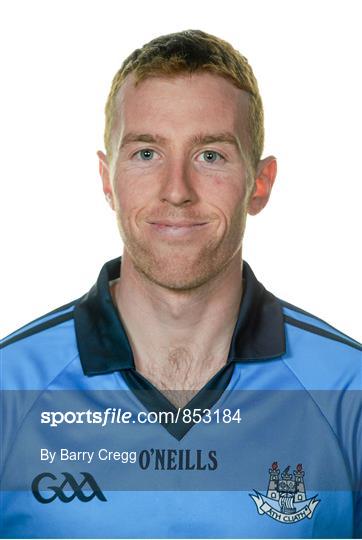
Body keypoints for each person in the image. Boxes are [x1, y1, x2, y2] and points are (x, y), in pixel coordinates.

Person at [1, 29, 361, 539]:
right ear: (108, 180)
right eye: (146, 153)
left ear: (260, 183)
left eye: (210, 155)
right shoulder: (10, 387)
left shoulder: (348, 392)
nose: (176, 191)